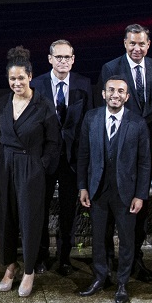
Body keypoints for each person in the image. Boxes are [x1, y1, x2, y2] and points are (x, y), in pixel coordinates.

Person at [100, 24, 152, 280]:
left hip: (146, 152)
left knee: (139, 205)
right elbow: (103, 113)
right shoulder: (111, 68)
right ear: (124, 44)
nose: (137, 48)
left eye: (142, 44)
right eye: (132, 43)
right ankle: (105, 264)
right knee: (108, 208)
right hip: (116, 151)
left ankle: (135, 261)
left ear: (148, 45)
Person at [77, 76, 150, 303]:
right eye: (111, 90)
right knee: (99, 238)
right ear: (103, 93)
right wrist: (83, 187)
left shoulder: (137, 123)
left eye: (120, 91)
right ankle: (100, 277)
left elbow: (144, 163)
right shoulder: (92, 118)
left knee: (127, 240)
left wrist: (140, 195)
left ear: (127, 96)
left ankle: (122, 283)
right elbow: (83, 155)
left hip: (126, 194)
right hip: (98, 190)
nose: (115, 94)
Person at [0, 46, 60, 298]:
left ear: (30, 76)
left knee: (30, 221)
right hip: (6, 167)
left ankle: (29, 270)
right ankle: (10, 266)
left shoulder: (43, 105)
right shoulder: (1, 103)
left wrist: (41, 167)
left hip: (31, 168)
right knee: (7, 218)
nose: (16, 82)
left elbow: (53, 144)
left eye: (21, 77)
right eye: (12, 78)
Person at [33, 38, 90, 275]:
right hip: (45, 159)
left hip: (72, 161)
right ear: (50, 59)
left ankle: (64, 258)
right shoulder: (36, 85)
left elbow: (88, 126)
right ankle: (41, 256)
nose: (63, 61)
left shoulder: (84, 84)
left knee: (69, 212)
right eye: (59, 57)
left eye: (67, 57)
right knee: (41, 210)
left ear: (73, 59)